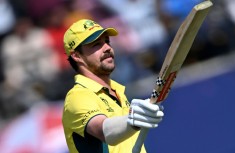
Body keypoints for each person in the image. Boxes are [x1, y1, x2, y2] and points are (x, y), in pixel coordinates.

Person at [62, 19, 164, 153]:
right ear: (77, 56)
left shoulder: (117, 91)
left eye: (107, 42)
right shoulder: (77, 97)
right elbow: (105, 131)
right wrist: (134, 120)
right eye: (96, 45)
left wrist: (136, 117)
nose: (107, 48)